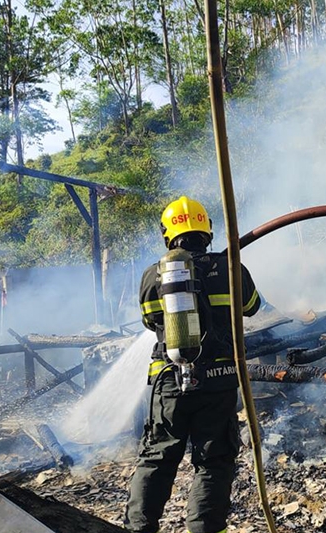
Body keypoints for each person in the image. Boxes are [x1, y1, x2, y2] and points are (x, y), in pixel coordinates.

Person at [125, 196, 261, 533]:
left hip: (169, 381)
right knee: (214, 463)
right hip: (219, 380)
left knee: (158, 457)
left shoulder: (154, 274)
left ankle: (138, 529)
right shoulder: (233, 269)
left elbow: (148, 320)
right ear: (207, 231)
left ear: (167, 235)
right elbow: (253, 306)